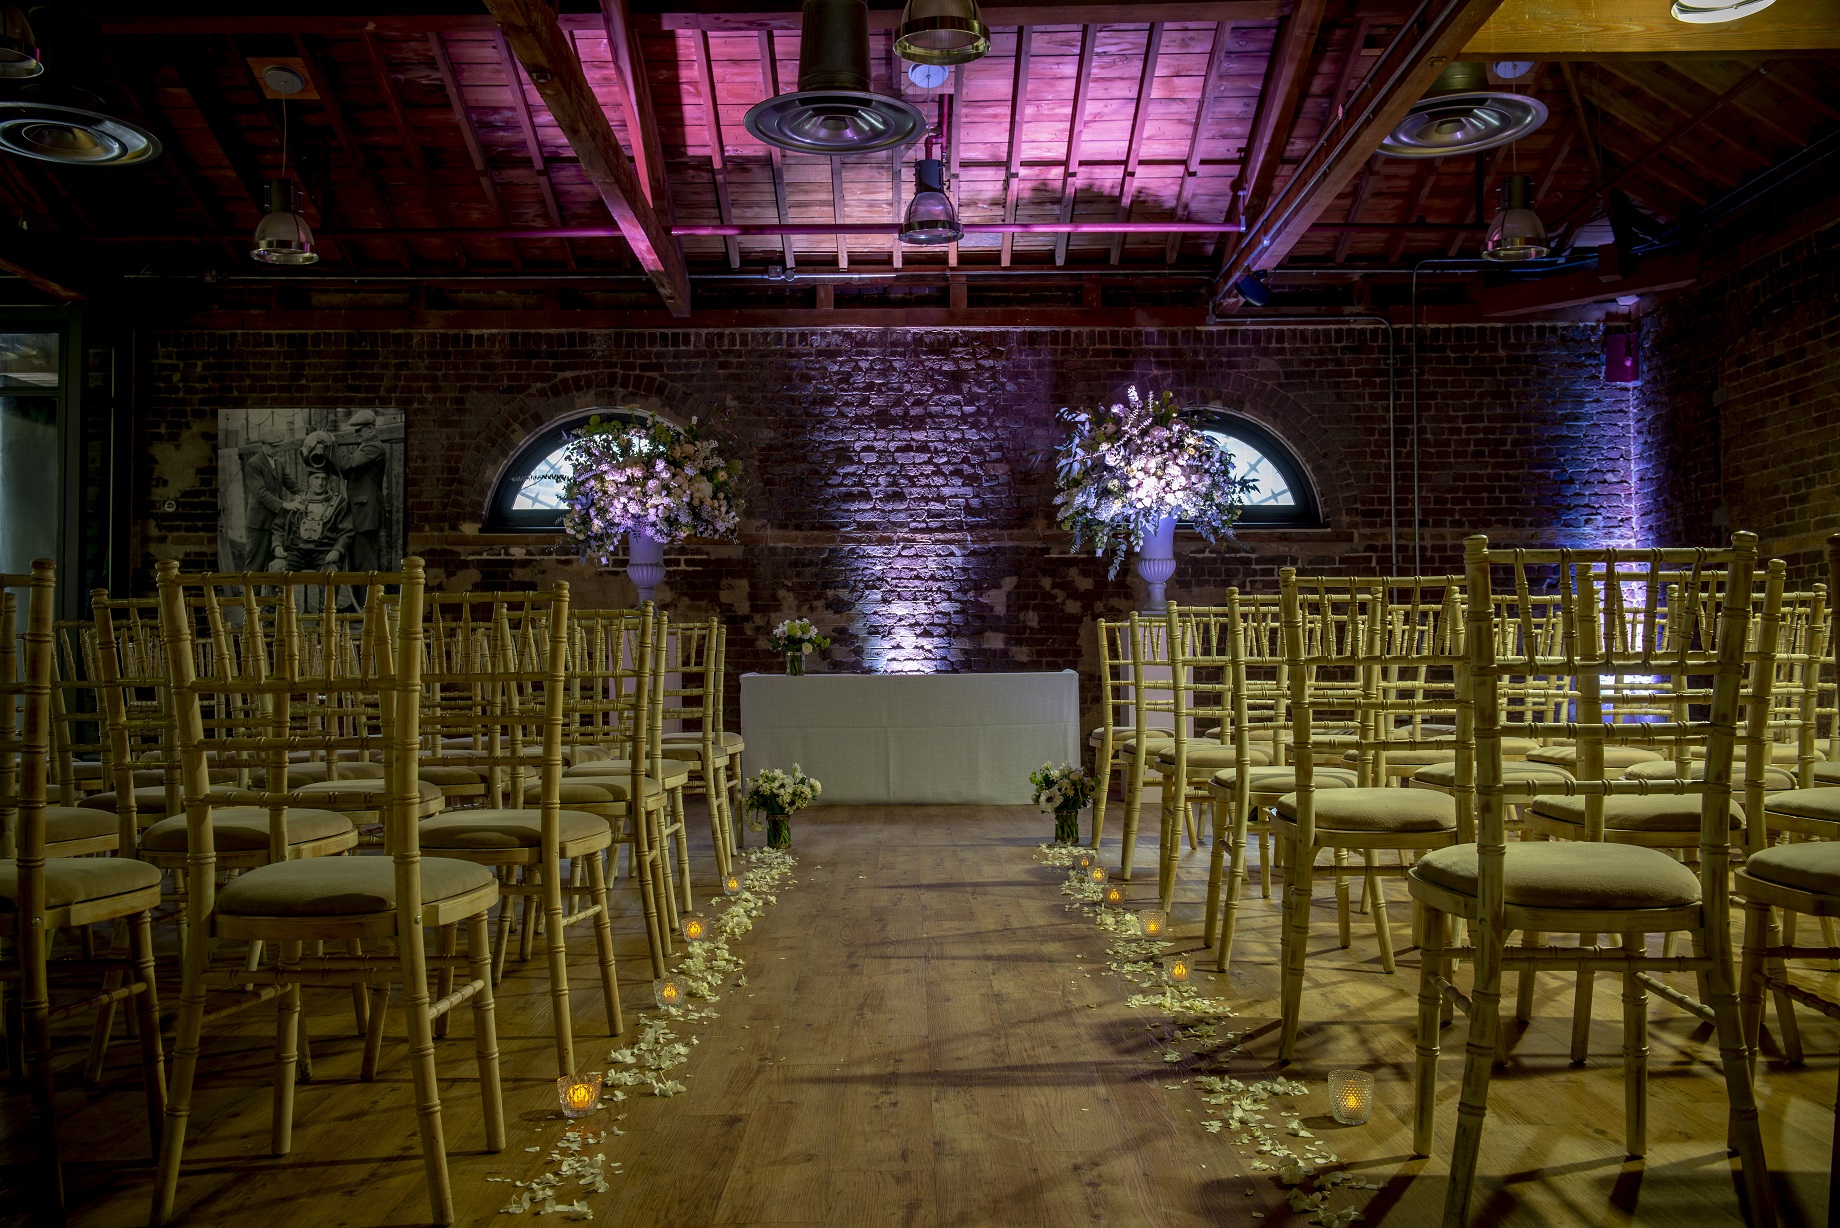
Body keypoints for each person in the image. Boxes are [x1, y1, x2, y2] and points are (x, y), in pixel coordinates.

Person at [335, 409, 388, 571]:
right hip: (361, 514)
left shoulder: (373, 447)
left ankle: (370, 597)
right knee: (358, 563)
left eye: (358, 431)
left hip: (366, 514)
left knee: (366, 564)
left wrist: (331, 445)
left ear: (370, 429)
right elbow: (347, 471)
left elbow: (348, 463)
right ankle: (363, 597)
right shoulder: (365, 446)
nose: (355, 434)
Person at [271, 469, 353, 572]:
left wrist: (337, 550)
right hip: (296, 552)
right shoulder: (296, 501)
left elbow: (346, 532)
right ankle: (282, 589)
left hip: (324, 553)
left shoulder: (340, 504)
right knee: (276, 568)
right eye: (316, 478)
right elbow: (279, 526)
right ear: (309, 480)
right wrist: (277, 545)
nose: (320, 483)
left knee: (330, 574)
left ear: (328, 481)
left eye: (324, 479)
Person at [242, 438, 298, 572]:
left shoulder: (279, 463)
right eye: (272, 446)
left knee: (275, 562)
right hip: (259, 523)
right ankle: (251, 593)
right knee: (255, 563)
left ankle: (272, 593)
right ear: (263, 445)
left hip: (276, 523)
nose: (276, 449)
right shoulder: (253, 464)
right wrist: (285, 504)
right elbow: (260, 493)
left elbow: (291, 484)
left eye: (277, 446)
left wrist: (309, 494)